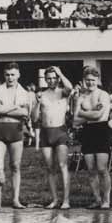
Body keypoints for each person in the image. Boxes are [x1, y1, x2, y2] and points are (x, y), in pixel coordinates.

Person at [0, 63, 34, 208]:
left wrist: (4, 109)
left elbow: (25, 113)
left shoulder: (24, 92)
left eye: (13, 74)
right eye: (7, 75)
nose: (10, 77)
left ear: (18, 75)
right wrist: (14, 108)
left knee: (15, 166)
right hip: (0, 129)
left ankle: (15, 199)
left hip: (16, 129)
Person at [71, 65, 112, 209]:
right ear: (84, 80)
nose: (90, 82)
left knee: (102, 168)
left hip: (102, 131)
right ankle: (97, 199)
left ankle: (106, 200)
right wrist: (90, 113)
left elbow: (99, 116)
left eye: (93, 80)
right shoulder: (81, 97)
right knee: (90, 169)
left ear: (97, 80)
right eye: (87, 80)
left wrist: (84, 113)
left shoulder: (103, 95)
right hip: (88, 132)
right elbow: (75, 121)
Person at [34, 66, 74, 209]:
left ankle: (66, 200)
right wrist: (37, 103)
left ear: (57, 79)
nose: (51, 81)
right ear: (45, 80)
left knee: (63, 166)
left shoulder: (62, 93)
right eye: (49, 78)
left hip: (60, 131)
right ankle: (55, 199)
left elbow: (70, 87)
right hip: (46, 133)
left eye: (54, 78)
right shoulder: (42, 95)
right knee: (50, 168)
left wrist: (60, 72)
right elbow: (34, 118)